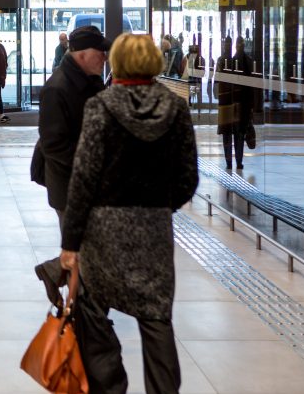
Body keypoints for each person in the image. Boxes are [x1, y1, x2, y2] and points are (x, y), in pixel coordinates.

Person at [59, 33, 198, 394]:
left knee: (92, 312)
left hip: (104, 233)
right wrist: (159, 207)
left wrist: (70, 243)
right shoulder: (176, 107)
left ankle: (109, 386)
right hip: (153, 230)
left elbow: (83, 179)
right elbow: (188, 178)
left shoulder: (101, 106)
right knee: (156, 318)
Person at [33, 25, 109, 307]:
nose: (104, 57)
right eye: (100, 52)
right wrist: (87, 167)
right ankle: (82, 313)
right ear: (83, 54)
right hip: (68, 184)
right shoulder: (57, 88)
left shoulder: (91, 81)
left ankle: (60, 278)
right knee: (83, 248)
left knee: (89, 246)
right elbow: (53, 145)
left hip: (91, 182)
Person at [216, 36, 253, 170]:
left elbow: (217, 80)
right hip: (236, 102)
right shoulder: (238, 60)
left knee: (234, 133)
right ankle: (235, 161)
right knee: (236, 133)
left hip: (231, 102)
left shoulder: (226, 60)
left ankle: (233, 162)